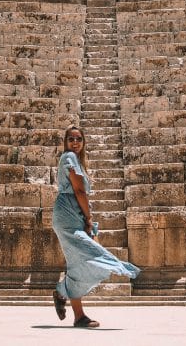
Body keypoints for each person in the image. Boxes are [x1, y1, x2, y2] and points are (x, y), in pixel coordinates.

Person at [52, 125, 140, 328]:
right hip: (68, 217)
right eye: (71, 139)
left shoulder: (77, 161)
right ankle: (65, 295)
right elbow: (79, 191)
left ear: (83, 142)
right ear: (65, 142)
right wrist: (89, 218)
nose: (75, 142)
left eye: (79, 139)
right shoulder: (69, 157)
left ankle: (72, 307)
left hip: (73, 214)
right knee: (94, 255)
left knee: (77, 262)